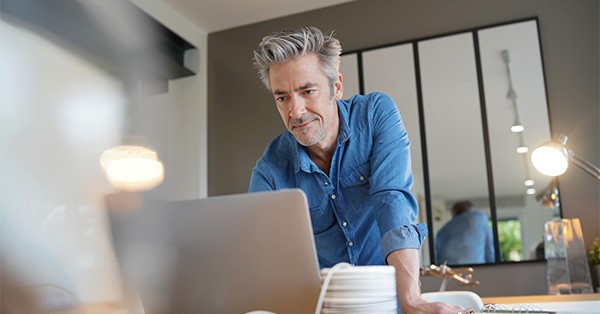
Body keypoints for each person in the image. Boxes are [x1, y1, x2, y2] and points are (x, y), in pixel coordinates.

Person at [249, 26, 464, 313]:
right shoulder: (270, 170)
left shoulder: (375, 114)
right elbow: (257, 256)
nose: (296, 111)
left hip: (391, 304)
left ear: (336, 86)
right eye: (282, 97)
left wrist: (411, 300)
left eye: (307, 91)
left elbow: (391, 198)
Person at [435, 200, 495, 265]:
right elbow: (490, 251)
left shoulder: (444, 229)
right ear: (471, 209)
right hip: (476, 267)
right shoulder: (480, 218)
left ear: (454, 214)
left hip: (448, 268)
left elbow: (437, 254)